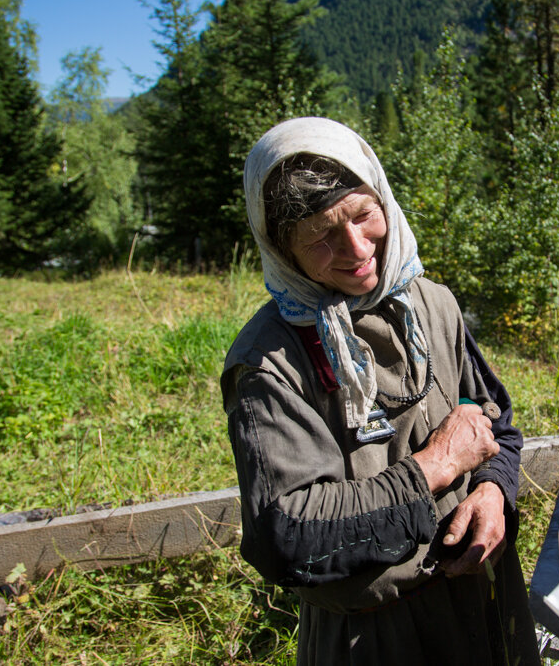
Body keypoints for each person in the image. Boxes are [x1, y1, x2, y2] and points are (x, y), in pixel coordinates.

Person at [221, 116, 542, 665]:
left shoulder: (428, 301)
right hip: (376, 638)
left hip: (486, 605)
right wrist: (435, 467)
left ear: (384, 200)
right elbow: (286, 536)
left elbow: (495, 420)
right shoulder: (269, 363)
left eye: (365, 215)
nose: (355, 247)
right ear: (281, 247)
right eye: (320, 235)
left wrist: (491, 489)